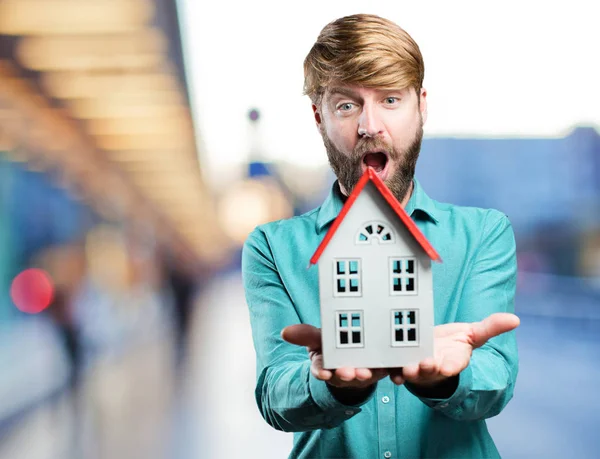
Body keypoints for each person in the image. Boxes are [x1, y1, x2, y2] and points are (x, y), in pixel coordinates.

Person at [242, 13, 519, 459]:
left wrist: (446, 378)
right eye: (346, 105)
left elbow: (497, 380)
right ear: (319, 116)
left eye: (390, 99)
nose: (370, 125)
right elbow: (275, 395)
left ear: (421, 106)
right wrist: (330, 385)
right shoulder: (272, 247)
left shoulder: (484, 234)